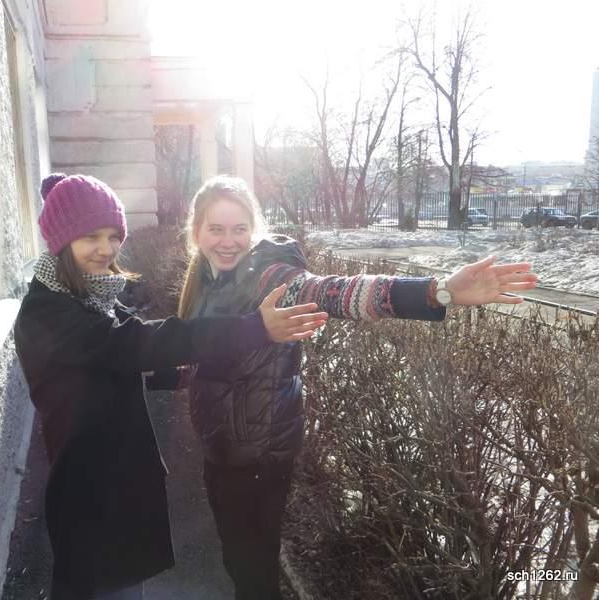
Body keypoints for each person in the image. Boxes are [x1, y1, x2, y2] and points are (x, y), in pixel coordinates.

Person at [171, 175, 538, 600]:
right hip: (223, 448)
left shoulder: (267, 275)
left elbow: (334, 292)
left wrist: (435, 292)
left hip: (257, 455)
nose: (228, 241)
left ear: (253, 230)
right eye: (216, 229)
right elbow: (211, 359)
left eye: (239, 229)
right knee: (239, 561)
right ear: (196, 232)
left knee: (252, 571)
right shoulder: (207, 281)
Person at [12, 174, 328, 600]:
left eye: (113, 236)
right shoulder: (49, 312)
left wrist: (180, 375)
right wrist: (255, 328)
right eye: (91, 237)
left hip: (115, 483)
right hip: (93, 492)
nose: (106, 249)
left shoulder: (84, 296)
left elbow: (110, 362)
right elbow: (137, 344)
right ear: (60, 240)